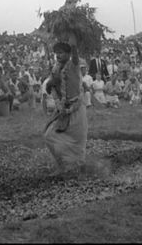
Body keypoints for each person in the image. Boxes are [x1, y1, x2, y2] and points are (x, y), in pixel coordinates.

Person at [44, 34, 88, 177]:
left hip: (76, 111)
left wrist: (74, 46)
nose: (58, 55)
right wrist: (58, 103)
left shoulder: (73, 65)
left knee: (77, 142)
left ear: (68, 54)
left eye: (61, 53)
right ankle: (62, 165)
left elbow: (75, 57)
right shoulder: (55, 69)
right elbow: (51, 88)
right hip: (62, 110)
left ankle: (77, 168)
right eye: (56, 53)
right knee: (49, 136)